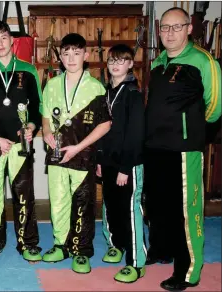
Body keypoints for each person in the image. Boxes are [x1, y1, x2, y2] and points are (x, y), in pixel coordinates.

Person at [144, 7, 221, 291]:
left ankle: (189, 270)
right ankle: (162, 249)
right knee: (158, 205)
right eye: (165, 28)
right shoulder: (157, 63)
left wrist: (192, 132)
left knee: (186, 211)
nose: (170, 33)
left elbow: (214, 107)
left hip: (183, 150)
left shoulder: (203, 61)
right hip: (154, 147)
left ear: (189, 29)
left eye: (177, 27)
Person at [0, 20, 43, 262]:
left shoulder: (28, 70)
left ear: (12, 40)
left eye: (3, 38)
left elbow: (38, 107)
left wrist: (32, 126)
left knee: (23, 193)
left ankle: (28, 242)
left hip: (21, 144)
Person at [41, 33, 111, 274]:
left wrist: (79, 148)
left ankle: (81, 250)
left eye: (76, 53)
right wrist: (48, 132)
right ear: (60, 57)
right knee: (58, 201)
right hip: (57, 154)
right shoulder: (51, 85)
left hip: (82, 155)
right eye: (66, 53)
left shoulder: (96, 87)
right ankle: (60, 244)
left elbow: (105, 124)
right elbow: (46, 117)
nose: (71, 58)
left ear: (86, 55)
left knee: (83, 202)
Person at [96, 44, 147, 283]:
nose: (115, 65)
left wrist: (126, 168)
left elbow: (135, 134)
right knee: (110, 206)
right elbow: (101, 130)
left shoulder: (132, 95)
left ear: (129, 64)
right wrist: (99, 159)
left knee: (129, 209)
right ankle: (115, 244)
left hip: (127, 164)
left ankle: (137, 263)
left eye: (121, 61)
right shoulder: (107, 92)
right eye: (112, 61)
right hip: (107, 161)